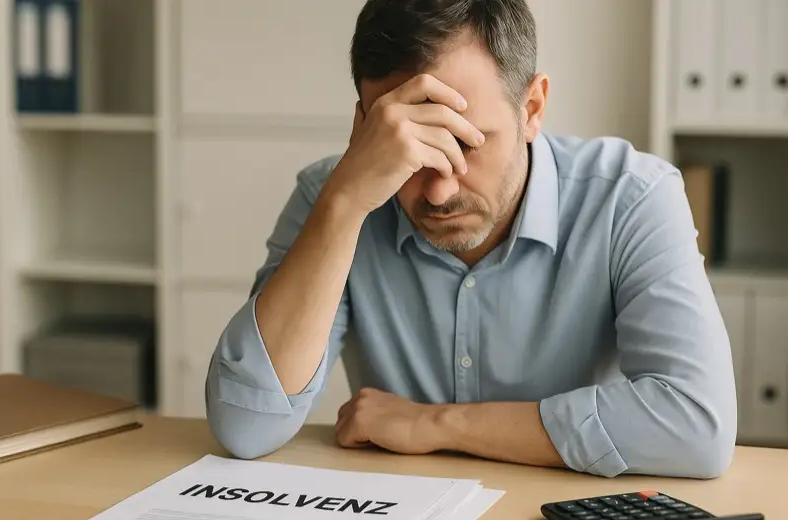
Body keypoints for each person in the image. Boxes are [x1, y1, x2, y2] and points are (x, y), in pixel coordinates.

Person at [204, 0, 737, 479]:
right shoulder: (334, 197)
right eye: (409, 149)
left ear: (531, 109)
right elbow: (246, 427)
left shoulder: (632, 197)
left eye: (467, 142)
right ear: (364, 126)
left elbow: (696, 425)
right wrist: (344, 207)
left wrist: (440, 425)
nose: (438, 191)